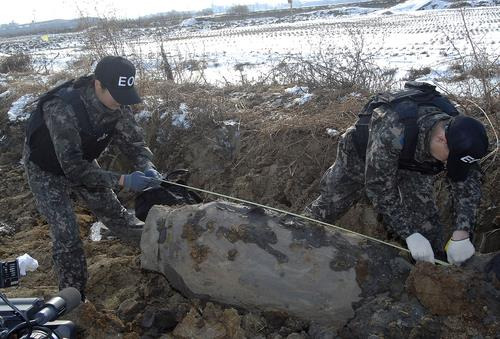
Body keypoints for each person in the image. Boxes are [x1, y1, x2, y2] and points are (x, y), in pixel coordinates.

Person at [23, 56, 163, 301]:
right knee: (66, 235)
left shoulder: (119, 104)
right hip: (47, 170)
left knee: (119, 218)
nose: (122, 102)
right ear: (98, 84)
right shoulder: (62, 108)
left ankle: (164, 256)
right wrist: (124, 180)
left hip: (84, 161)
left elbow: (135, 145)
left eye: (126, 94)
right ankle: (72, 299)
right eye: (117, 94)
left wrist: (147, 165)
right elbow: (74, 170)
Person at [305, 81, 489, 265]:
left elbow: (467, 180)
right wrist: (408, 234)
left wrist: (462, 232)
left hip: (414, 162)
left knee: (426, 221)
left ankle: (431, 271)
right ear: (441, 139)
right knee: (331, 203)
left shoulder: (460, 133)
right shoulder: (393, 130)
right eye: (450, 159)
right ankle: (298, 233)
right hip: (363, 155)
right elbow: (379, 189)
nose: (448, 164)